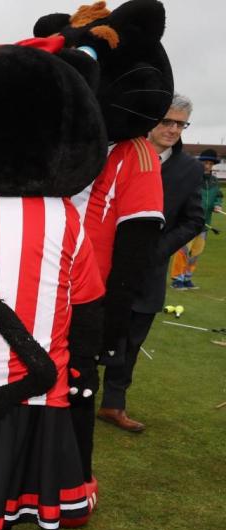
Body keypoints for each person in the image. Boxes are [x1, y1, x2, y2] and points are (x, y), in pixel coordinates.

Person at [98, 95, 206, 433]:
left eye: (180, 124)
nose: (173, 129)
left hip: (147, 271)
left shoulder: (188, 169)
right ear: (151, 121)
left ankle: (113, 405)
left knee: (131, 340)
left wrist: (156, 251)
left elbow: (193, 220)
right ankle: (69, 394)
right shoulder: (117, 153)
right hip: (101, 262)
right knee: (87, 329)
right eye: (167, 121)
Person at [170, 147, 222, 290]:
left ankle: (187, 278)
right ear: (200, 163)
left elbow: (218, 195)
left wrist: (217, 205)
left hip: (205, 224)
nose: (208, 166)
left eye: (211, 164)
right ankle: (177, 279)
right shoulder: (192, 177)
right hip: (189, 223)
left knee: (196, 253)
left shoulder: (214, 181)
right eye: (205, 163)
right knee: (183, 251)